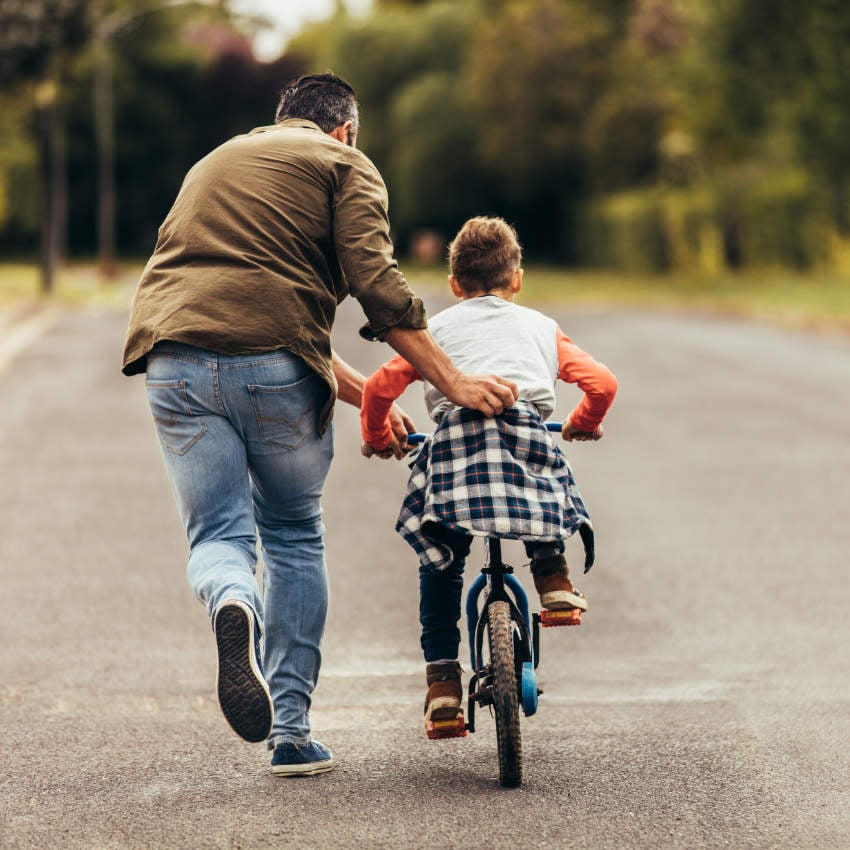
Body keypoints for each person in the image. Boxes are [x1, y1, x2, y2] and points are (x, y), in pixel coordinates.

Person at [121, 75, 518, 776]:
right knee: (292, 533)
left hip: (173, 361)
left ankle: (233, 600)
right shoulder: (344, 164)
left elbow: (259, 310)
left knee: (218, 537)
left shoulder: (216, 162)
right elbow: (378, 288)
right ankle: (291, 735)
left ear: (282, 120)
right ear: (347, 130)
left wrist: (371, 399)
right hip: (275, 371)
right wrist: (452, 381)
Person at [360, 216, 617, 736]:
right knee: (541, 480)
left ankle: (442, 687)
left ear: (455, 285)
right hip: (523, 439)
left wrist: (378, 436)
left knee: (442, 563)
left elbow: (377, 389)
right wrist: (583, 422)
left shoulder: (432, 334)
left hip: (455, 454)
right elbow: (603, 383)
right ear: (516, 279)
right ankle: (553, 578)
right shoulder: (541, 328)